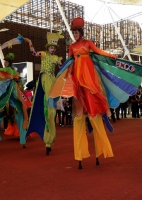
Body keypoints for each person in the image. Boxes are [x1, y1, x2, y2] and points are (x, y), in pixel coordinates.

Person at [49, 17, 117, 169]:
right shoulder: (72, 46)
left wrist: (111, 55)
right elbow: (69, 62)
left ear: (80, 31)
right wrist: (67, 79)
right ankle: (80, 154)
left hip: (89, 79)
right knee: (79, 116)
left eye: (76, 32)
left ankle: (100, 151)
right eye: (73, 32)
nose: (75, 35)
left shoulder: (88, 43)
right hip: (77, 80)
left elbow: (98, 52)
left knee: (94, 114)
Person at [25, 32, 64, 155]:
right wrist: (30, 43)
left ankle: (49, 140)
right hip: (44, 79)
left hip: (52, 80)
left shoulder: (56, 58)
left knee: (51, 112)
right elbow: (33, 53)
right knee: (47, 109)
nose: (52, 49)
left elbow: (61, 66)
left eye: (54, 48)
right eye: (51, 47)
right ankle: (47, 139)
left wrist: (63, 65)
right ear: (48, 48)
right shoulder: (43, 54)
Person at [0, 53, 28, 151]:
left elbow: (0, 70)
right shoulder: (11, 73)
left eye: (6, 62)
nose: (5, 63)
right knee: (19, 115)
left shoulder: (9, 70)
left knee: (1, 116)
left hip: (11, 96)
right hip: (9, 96)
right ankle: (22, 140)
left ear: (9, 63)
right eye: (4, 62)